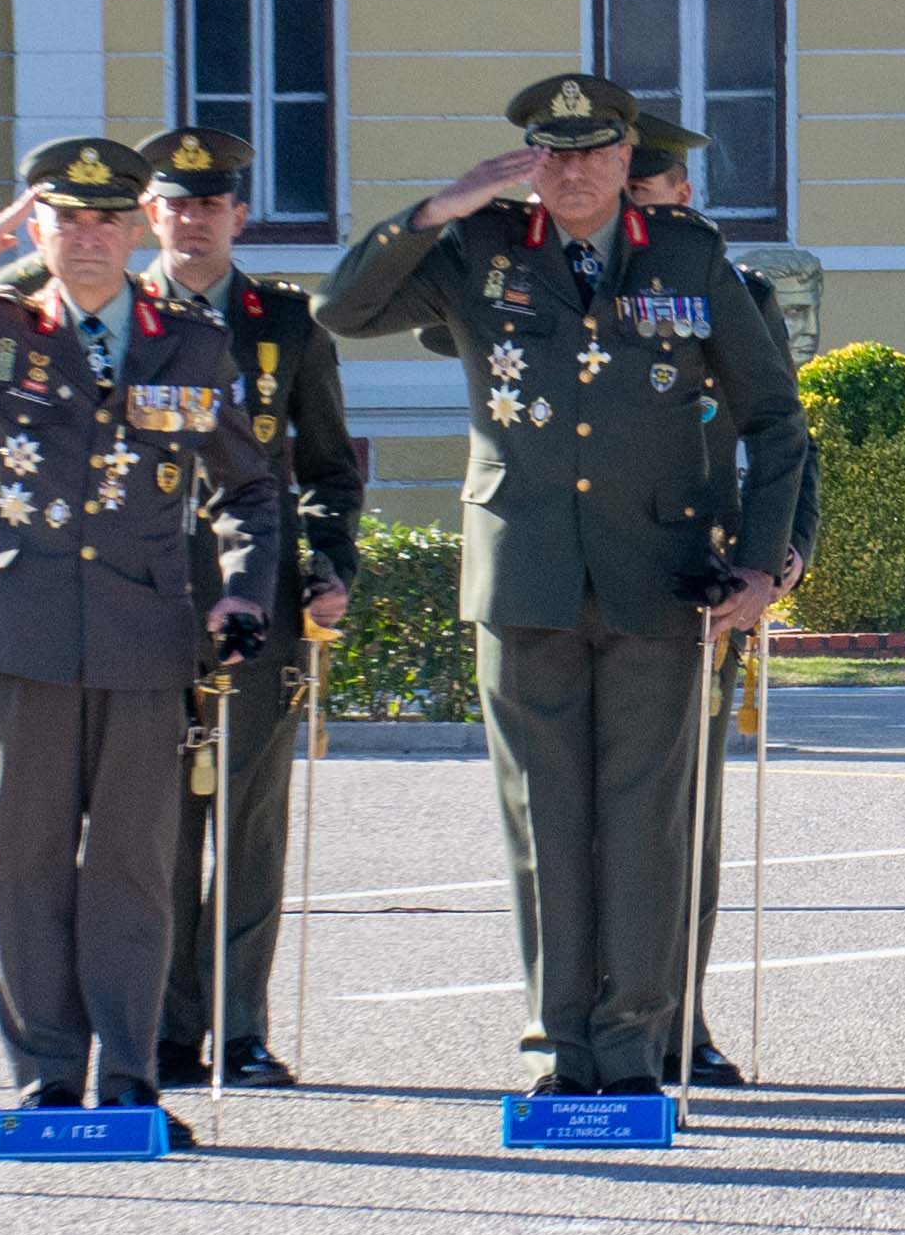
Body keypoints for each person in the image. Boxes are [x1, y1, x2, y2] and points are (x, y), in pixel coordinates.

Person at [319, 72, 808, 1100]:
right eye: (553, 150)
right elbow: (343, 306)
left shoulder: (689, 257)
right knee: (541, 824)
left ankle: (630, 1050)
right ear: (528, 158)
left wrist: (761, 562)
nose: (573, 170)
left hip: (658, 578)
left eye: (593, 152)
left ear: (628, 161)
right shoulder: (476, 250)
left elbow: (774, 418)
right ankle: (555, 1048)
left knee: (644, 829)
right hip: (525, 578)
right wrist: (438, 206)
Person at [0, 135, 282, 1124]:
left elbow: (250, 490)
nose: (86, 237)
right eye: (64, 218)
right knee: (27, 863)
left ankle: (129, 1075)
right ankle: (46, 1073)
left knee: (133, 867)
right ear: (34, 226)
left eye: (106, 219)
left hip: (143, 636)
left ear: (136, 228)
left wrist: (242, 593)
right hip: (19, 630)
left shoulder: (193, 339)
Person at [103, 127, 364, 1093]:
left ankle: (243, 1027)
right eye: (175, 202)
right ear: (150, 215)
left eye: (210, 203)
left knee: (249, 819)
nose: (192, 218)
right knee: (159, 818)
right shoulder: (118, 316)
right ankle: (171, 1030)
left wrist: (331, 562)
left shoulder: (284, 322)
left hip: (260, 600)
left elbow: (330, 468)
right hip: (145, 596)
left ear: (238, 214)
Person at [631, 111, 808, 1087]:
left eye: (679, 198)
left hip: (702, 588)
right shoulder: (566, 294)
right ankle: (599, 1022)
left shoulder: (733, 293)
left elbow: (784, 433)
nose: (678, 214)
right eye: (655, 202)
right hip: (593, 578)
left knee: (686, 817)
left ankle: (678, 1018)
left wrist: (780, 557)